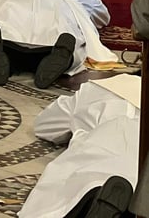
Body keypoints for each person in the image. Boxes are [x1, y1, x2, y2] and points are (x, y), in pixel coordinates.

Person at [18, 75, 138, 218]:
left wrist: (73, 130)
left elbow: (44, 126)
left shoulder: (97, 89)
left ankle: (94, 198)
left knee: (75, 189)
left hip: (98, 149)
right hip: (141, 173)